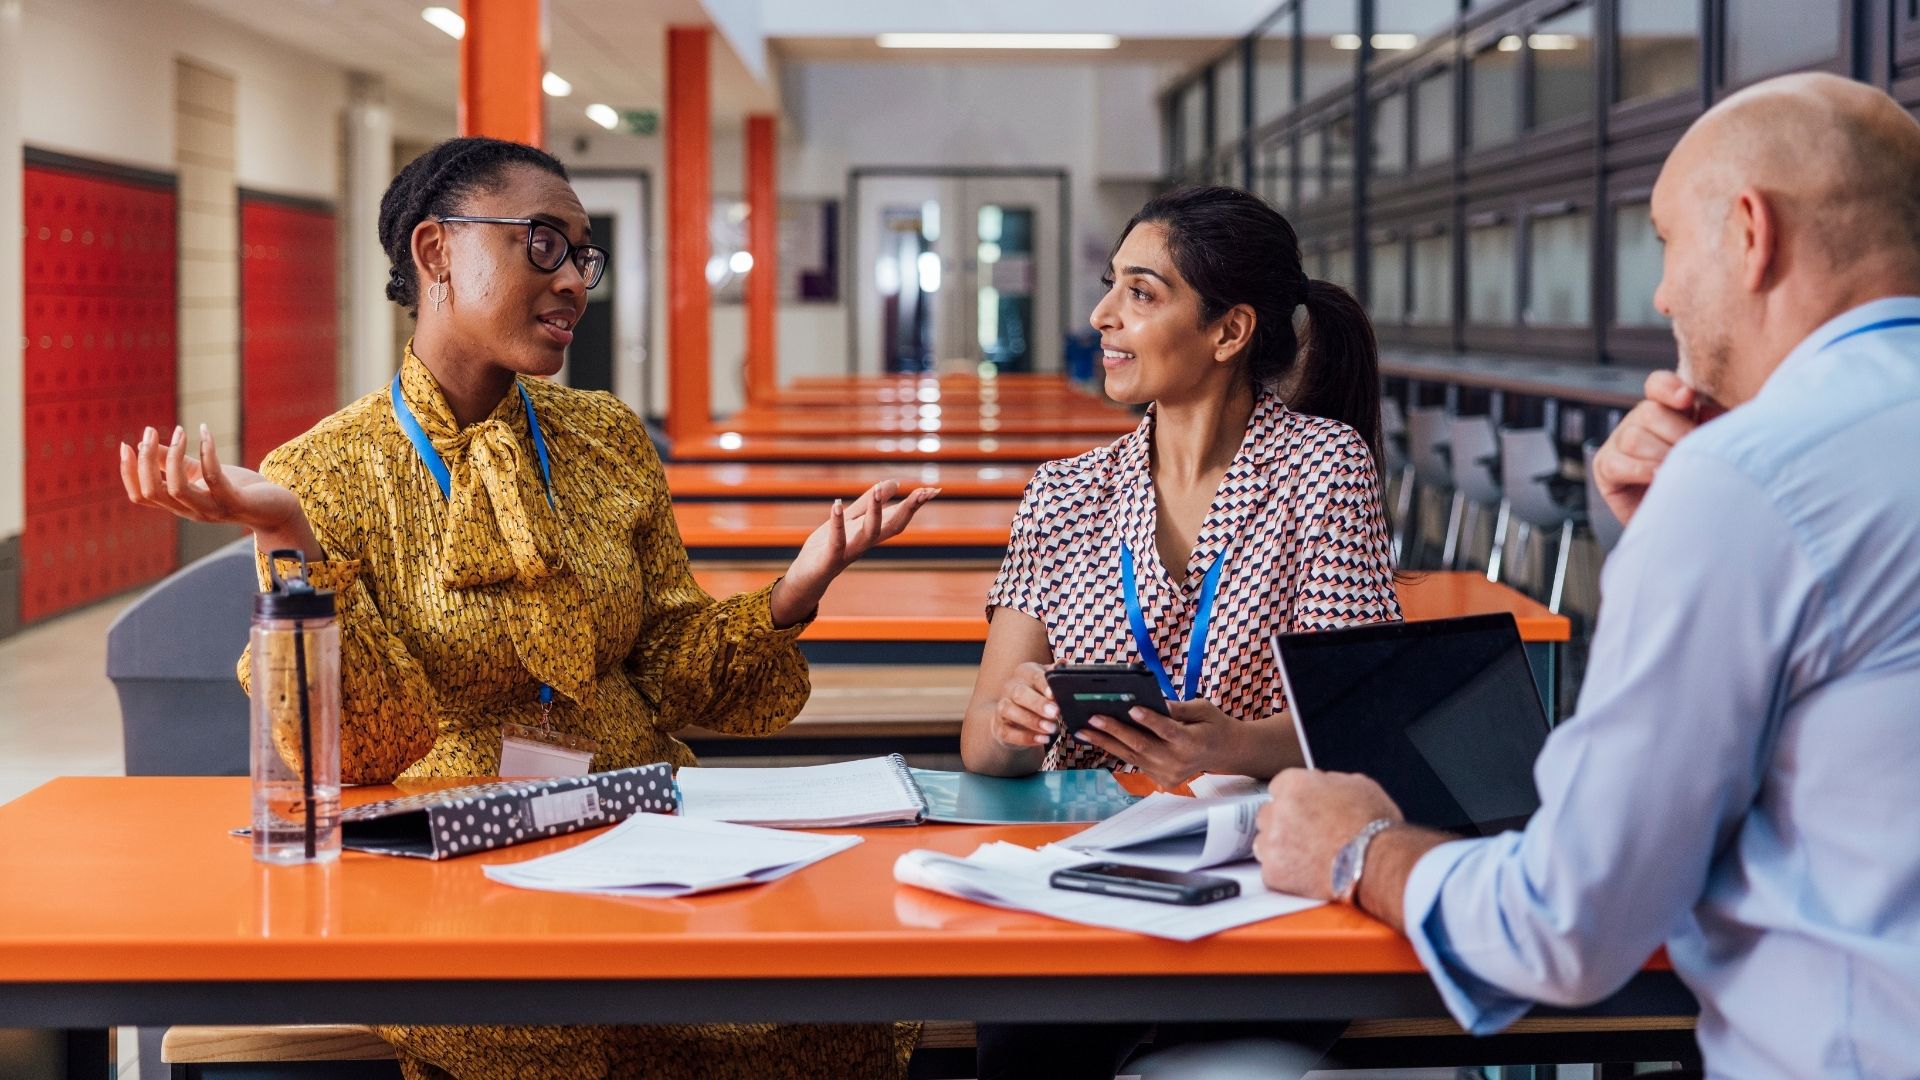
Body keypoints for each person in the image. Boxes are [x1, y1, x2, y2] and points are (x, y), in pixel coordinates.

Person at [118, 137, 932, 1080]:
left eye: (583, 254)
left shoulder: (606, 439)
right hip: (453, 880)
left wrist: (796, 589)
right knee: (599, 1041)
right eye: (542, 243)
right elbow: (361, 754)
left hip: (644, 835)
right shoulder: (325, 473)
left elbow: (670, 672)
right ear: (436, 254)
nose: (574, 281)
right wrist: (291, 538)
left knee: (831, 996)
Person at [1254, 73, 1920, 1078]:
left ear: (1750, 232)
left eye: (1663, 241)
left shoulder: (1752, 478)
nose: (1659, 294)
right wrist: (1664, 545)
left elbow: (1567, 924)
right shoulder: (1758, 483)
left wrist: (1360, 848)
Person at [962, 186, 1401, 1079]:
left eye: (1142, 292)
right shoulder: (1062, 494)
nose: (1102, 315)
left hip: (1259, 880)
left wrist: (1231, 743)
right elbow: (982, 749)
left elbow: (1359, 730)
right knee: (1020, 1048)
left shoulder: (1321, 468)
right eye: (1110, 285)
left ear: (1230, 332)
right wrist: (1016, 719)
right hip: (1084, 878)